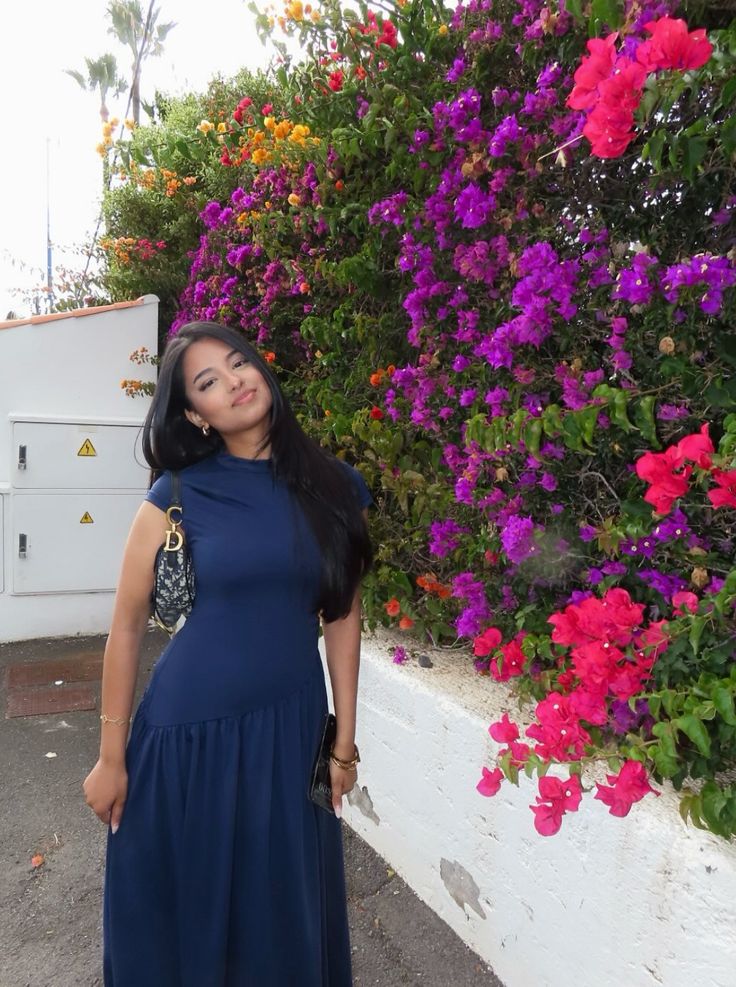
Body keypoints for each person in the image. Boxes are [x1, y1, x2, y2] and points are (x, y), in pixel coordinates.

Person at [83, 320, 373, 986]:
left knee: (277, 916)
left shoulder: (337, 486)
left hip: (288, 731)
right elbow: (126, 627)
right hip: (186, 737)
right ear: (196, 414)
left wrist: (343, 745)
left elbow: (343, 615)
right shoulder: (175, 494)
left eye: (239, 362)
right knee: (183, 914)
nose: (235, 381)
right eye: (209, 381)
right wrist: (111, 756)